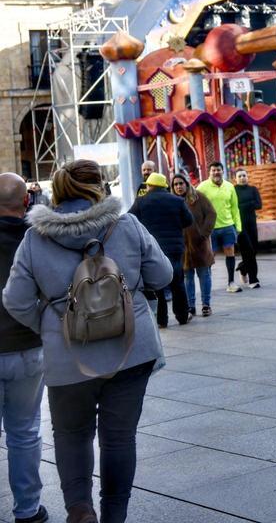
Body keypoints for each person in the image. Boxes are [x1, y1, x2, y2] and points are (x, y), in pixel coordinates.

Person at [3, 159, 172, 523]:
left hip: (68, 360)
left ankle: (80, 511)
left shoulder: (35, 237)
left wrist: (53, 326)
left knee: (71, 435)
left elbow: (14, 300)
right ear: (98, 188)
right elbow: (162, 274)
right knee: (120, 437)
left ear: (59, 190)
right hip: (131, 349)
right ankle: (114, 514)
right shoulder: (126, 224)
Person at [0, 174, 48, 523]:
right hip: (28, 345)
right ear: (27, 202)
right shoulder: (39, 239)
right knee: (25, 431)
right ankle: (28, 509)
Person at [129, 173, 193, 328]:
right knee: (178, 281)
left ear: (149, 186)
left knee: (156, 283)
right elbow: (189, 221)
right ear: (165, 186)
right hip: (175, 248)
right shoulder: (177, 201)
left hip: (153, 249)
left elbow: (130, 221)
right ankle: (182, 316)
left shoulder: (141, 202)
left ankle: (161, 320)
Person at [173, 175, 216, 318]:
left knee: (204, 274)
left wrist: (204, 233)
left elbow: (211, 214)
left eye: (181, 183)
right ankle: (191, 306)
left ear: (187, 184)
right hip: (183, 247)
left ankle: (206, 305)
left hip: (200, 245)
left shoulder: (198, 197)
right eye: (175, 184)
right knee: (188, 277)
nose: (178, 187)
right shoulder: (173, 201)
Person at [196, 162, 242, 295]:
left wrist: (237, 226)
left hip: (228, 226)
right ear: (209, 172)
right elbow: (195, 205)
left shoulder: (230, 186)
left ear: (223, 171)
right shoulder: (202, 187)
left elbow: (235, 207)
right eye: (213, 170)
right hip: (211, 228)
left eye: (219, 170)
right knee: (210, 256)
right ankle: (206, 285)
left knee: (230, 252)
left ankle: (231, 283)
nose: (216, 172)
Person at [233, 169, 262, 289]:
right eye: (240, 176)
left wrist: (243, 205)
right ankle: (253, 279)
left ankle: (242, 267)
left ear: (247, 177)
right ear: (235, 178)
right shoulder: (233, 190)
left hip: (252, 224)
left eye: (244, 175)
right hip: (240, 225)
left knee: (254, 250)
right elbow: (235, 206)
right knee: (247, 251)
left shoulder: (253, 189)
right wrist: (249, 204)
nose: (242, 178)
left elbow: (258, 205)